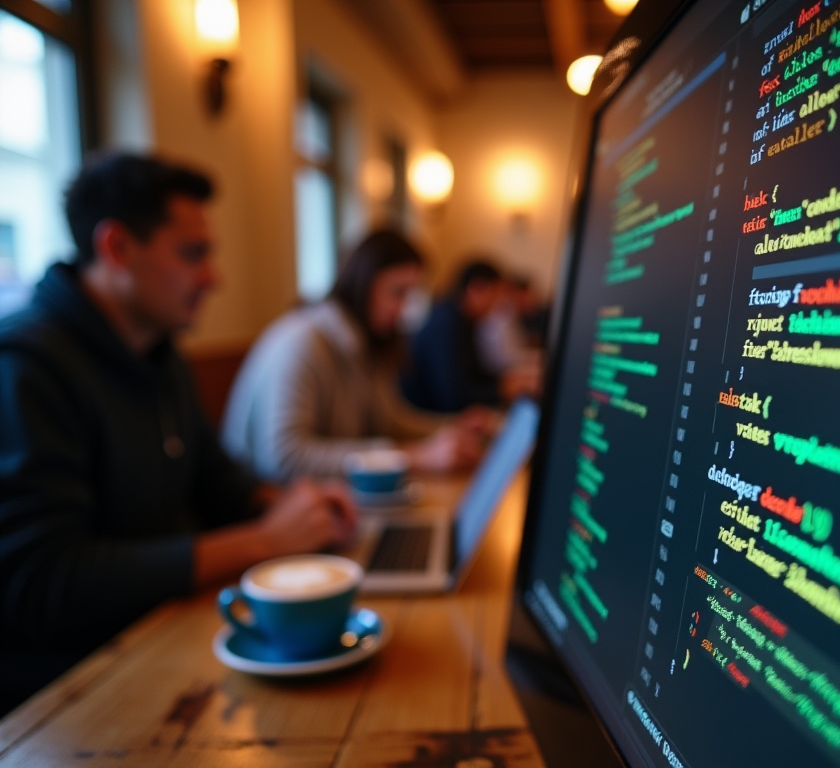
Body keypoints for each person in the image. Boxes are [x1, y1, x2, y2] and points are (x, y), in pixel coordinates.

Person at [0, 153, 357, 716]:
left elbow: (215, 478)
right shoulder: (25, 366)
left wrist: (289, 504)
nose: (214, 277)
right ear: (116, 248)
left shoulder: (160, 352)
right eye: (193, 254)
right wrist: (266, 541)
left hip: (169, 641)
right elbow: (47, 582)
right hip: (71, 703)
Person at [222, 230, 487, 483]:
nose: (403, 309)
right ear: (363, 282)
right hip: (270, 513)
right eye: (398, 293)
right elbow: (284, 458)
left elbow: (390, 421)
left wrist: (452, 428)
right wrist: (413, 458)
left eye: (410, 295)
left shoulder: (366, 341)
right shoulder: (303, 341)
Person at [402, 259, 540, 413]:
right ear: (476, 288)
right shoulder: (446, 324)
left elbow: (475, 373)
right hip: (429, 419)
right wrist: (503, 388)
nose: (497, 304)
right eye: (495, 295)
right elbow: (453, 397)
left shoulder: (464, 320)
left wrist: (507, 382)